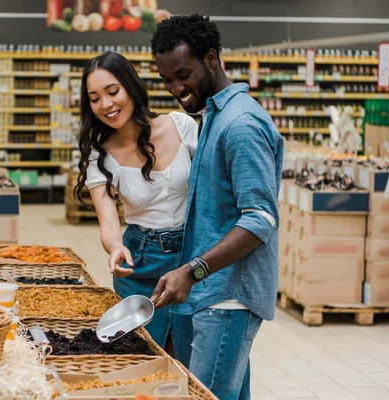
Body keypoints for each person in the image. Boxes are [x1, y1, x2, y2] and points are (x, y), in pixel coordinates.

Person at [149, 14, 284, 400]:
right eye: (167, 80)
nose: (176, 88)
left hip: (228, 297)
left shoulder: (240, 124)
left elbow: (260, 219)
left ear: (211, 59)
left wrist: (193, 271)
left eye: (183, 74)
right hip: (214, 293)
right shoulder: (215, 115)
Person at [74, 51, 197, 366]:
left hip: (194, 257)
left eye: (112, 91)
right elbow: (109, 224)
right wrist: (115, 247)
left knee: (192, 358)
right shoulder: (100, 156)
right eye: (95, 98)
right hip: (140, 262)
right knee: (143, 361)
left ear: (130, 86)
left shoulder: (181, 126)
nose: (106, 104)